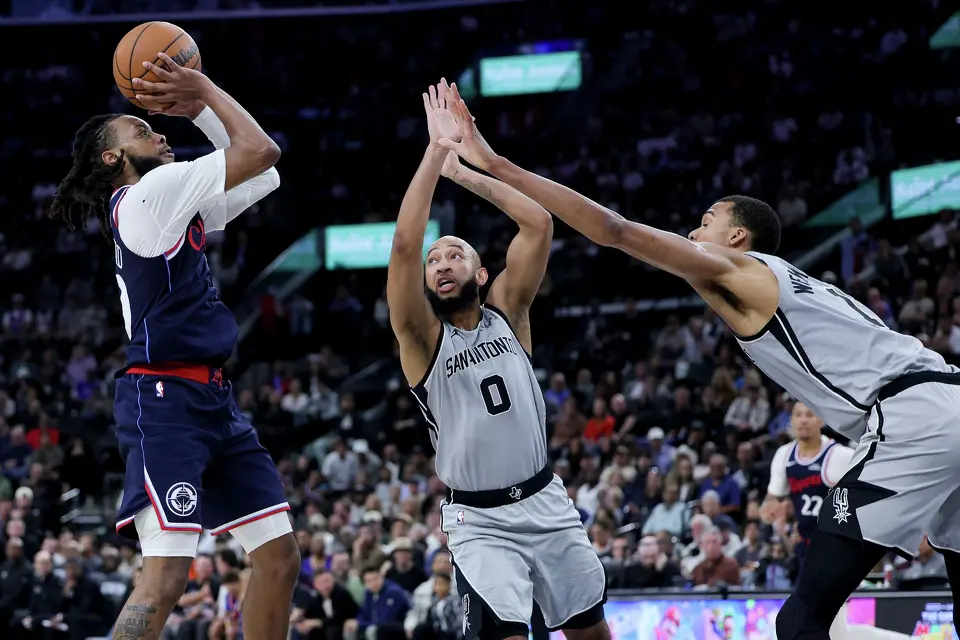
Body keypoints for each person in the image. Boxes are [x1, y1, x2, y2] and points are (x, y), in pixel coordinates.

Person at [437, 82, 960, 640]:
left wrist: (491, 162)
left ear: (736, 236)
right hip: (943, 397)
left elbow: (612, 230)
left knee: (802, 621)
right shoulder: (804, 286)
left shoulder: (740, 269)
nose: (693, 230)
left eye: (707, 220)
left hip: (913, 422)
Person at [49, 52, 300, 640]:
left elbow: (266, 174)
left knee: (280, 559)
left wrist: (200, 108)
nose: (157, 130)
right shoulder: (148, 195)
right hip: (165, 403)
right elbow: (260, 150)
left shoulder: (169, 202)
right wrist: (203, 91)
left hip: (212, 400)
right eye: (140, 128)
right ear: (113, 158)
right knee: (165, 578)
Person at [386, 79, 607, 640]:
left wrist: (464, 172)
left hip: (546, 500)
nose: (441, 260)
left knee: (592, 634)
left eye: (455, 252)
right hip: (479, 521)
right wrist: (435, 156)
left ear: (481, 275)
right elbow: (406, 245)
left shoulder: (509, 311)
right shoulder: (421, 339)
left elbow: (538, 223)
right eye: (436, 258)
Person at [761, 401, 855, 566]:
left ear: (821, 420)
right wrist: (772, 512)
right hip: (803, 544)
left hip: (836, 543)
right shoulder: (784, 454)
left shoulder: (841, 455)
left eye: (809, 415)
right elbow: (772, 500)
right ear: (791, 421)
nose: (803, 420)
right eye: (798, 415)